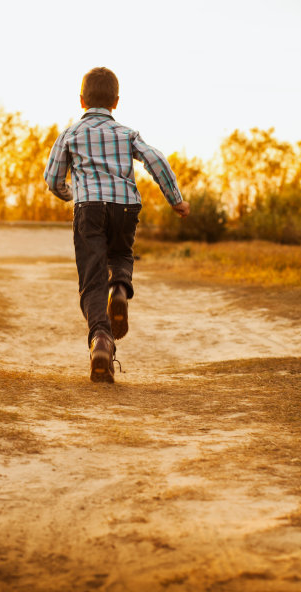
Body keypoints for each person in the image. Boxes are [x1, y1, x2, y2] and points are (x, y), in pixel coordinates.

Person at [44, 67, 190, 383]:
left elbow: (52, 179)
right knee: (121, 255)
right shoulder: (127, 134)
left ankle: (101, 340)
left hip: (89, 208)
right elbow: (156, 159)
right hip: (125, 206)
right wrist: (175, 199)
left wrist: (69, 193)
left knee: (92, 279)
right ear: (116, 102)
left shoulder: (71, 133)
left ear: (81, 100)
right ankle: (121, 288)